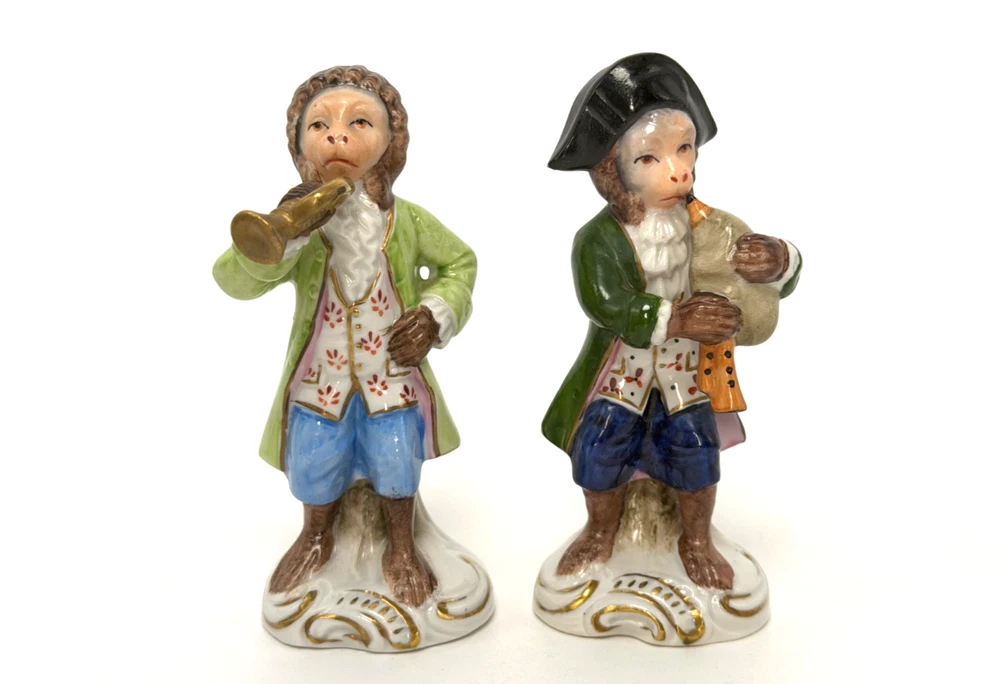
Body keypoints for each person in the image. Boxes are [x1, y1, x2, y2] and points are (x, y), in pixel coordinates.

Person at [213, 66, 476, 606]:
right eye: (320, 125)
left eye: (359, 122)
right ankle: (316, 536)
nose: (337, 135)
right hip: (322, 377)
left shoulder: (408, 220)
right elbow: (232, 281)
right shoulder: (298, 225)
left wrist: (433, 316)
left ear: (390, 143)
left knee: (397, 457)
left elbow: (460, 264)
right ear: (300, 145)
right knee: (313, 460)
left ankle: (401, 545)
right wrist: (285, 235)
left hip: (391, 374)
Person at [542, 53, 801, 590]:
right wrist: (674, 318)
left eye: (684, 149)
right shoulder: (597, 239)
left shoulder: (709, 227)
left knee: (696, 450)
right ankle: (600, 531)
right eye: (650, 157)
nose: (677, 170)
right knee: (599, 448)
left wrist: (780, 260)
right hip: (621, 374)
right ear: (613, 171)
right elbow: (605, 302)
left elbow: (756, 274)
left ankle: (696, 540)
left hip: (686, 374)